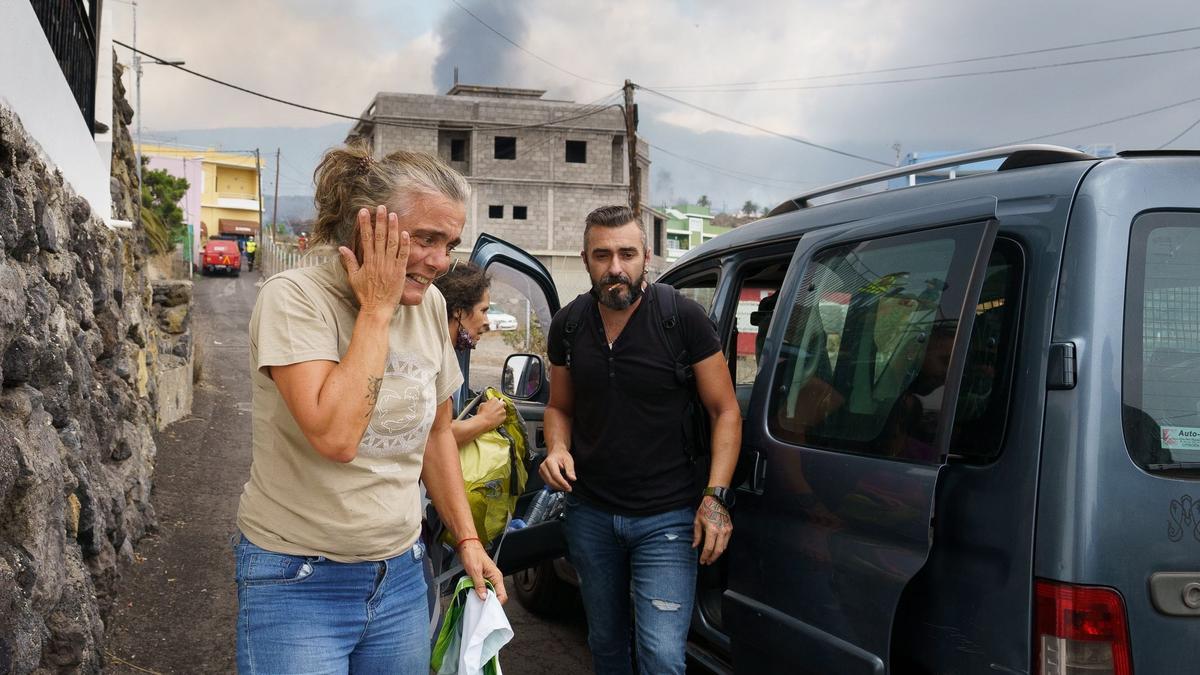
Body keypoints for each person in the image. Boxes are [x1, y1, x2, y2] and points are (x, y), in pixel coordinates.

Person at [236, 144, 506, 674]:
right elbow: (336, 437)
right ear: (367, 225)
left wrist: (467, 537)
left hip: (401, 576)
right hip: (297, 578)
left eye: (449, 243)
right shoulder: (294, 299)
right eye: (425, 239)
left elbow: (437, 434)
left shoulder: (429, 305)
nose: (439, 262)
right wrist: (377, 311)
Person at [539, 205, 742, 675]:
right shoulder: (568, 326)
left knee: (662, 656)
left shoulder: (682, 319)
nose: (615, 268)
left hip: (668, 518)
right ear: (585, 258)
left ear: (646, 256)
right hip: (589, 513)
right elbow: (558, 408)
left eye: (627, 254)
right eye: (602, 255)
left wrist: (715, 498)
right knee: (606, 643)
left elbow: (725, 410)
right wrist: (557, 448)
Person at [432, 260, 507, 445]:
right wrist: (485, 419)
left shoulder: (441, 350)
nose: (487, 322)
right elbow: (435, 437)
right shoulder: (432, 357)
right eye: (483, 310)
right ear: (459, 312)